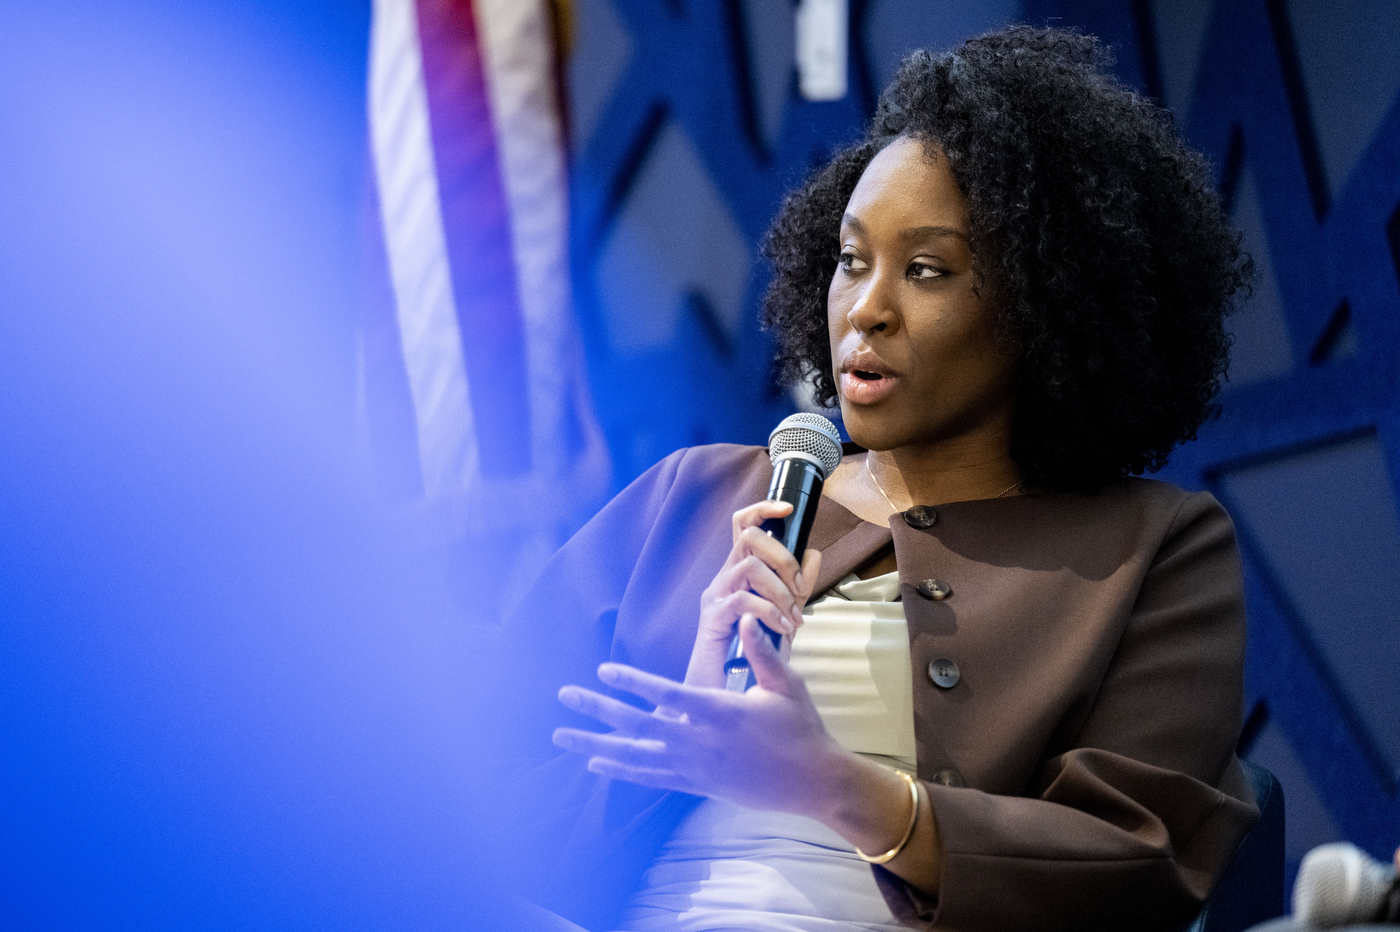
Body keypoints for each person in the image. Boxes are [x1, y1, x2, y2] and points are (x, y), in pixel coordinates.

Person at [490, 25, 1259, 932]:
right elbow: (454, 798)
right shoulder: (688, 498)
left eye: (926, 271)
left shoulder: (1151, 550)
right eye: (852, 261)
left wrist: (843, 791)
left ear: (1052, 306)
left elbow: (1140, 858)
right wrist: (666, 740)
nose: (866, 309)